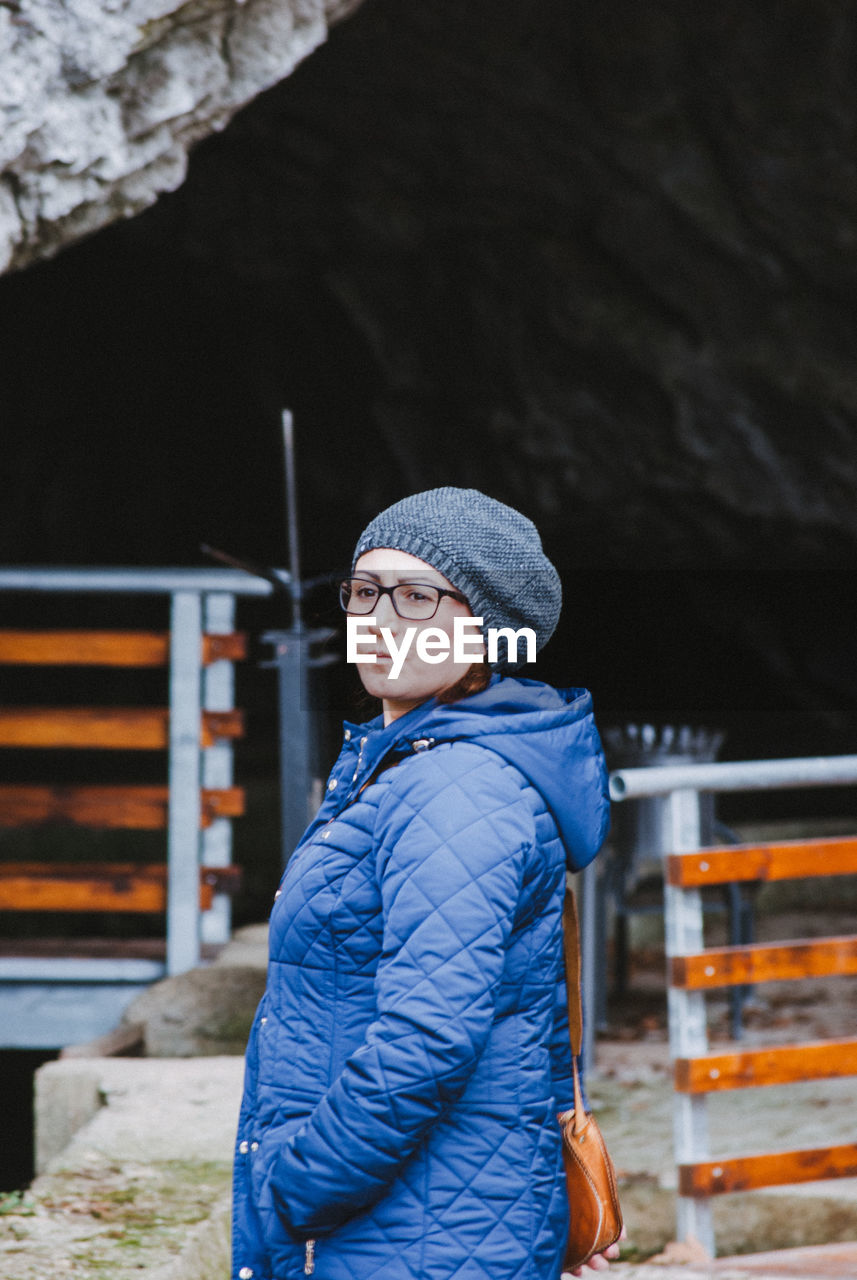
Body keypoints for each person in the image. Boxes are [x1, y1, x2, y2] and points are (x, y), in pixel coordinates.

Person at [232, 487, 618, 1280]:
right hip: (435, 1222)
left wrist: (294, 1193)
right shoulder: (401, 760)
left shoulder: (455, 788)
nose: (376, 619)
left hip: (406, 1237)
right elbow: (532, 1011)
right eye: (364, 591)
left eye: (415, 597)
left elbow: (428, 1038)